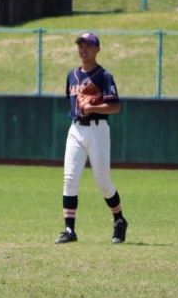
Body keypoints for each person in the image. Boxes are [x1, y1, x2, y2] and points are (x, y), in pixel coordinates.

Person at [55, 32, 128, 244]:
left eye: (88, 45)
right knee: (70, 179)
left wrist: (93, 107)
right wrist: (84, 108)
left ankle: (119, 220)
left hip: (98, 130)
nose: (83, 49)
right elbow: (74, 103)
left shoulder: (104, 76)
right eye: (81, 45)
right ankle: (69, 230)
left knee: (103, 182)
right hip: (75, 129)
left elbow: (115, 107)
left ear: (97, 49)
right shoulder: (71, 75)